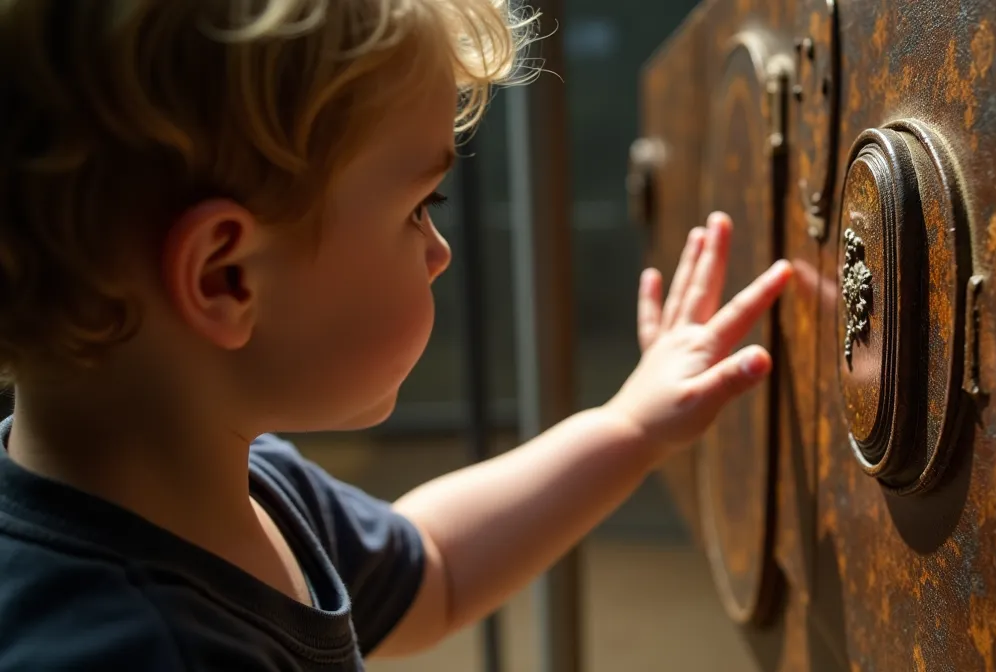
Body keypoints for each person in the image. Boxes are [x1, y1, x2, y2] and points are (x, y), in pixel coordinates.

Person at [0, 0, 792, 669]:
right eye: (420, 209)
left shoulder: (239, 483)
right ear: (226, 277)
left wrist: (631, 425)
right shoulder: (126, 648)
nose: (440, 254)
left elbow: (435, 567)